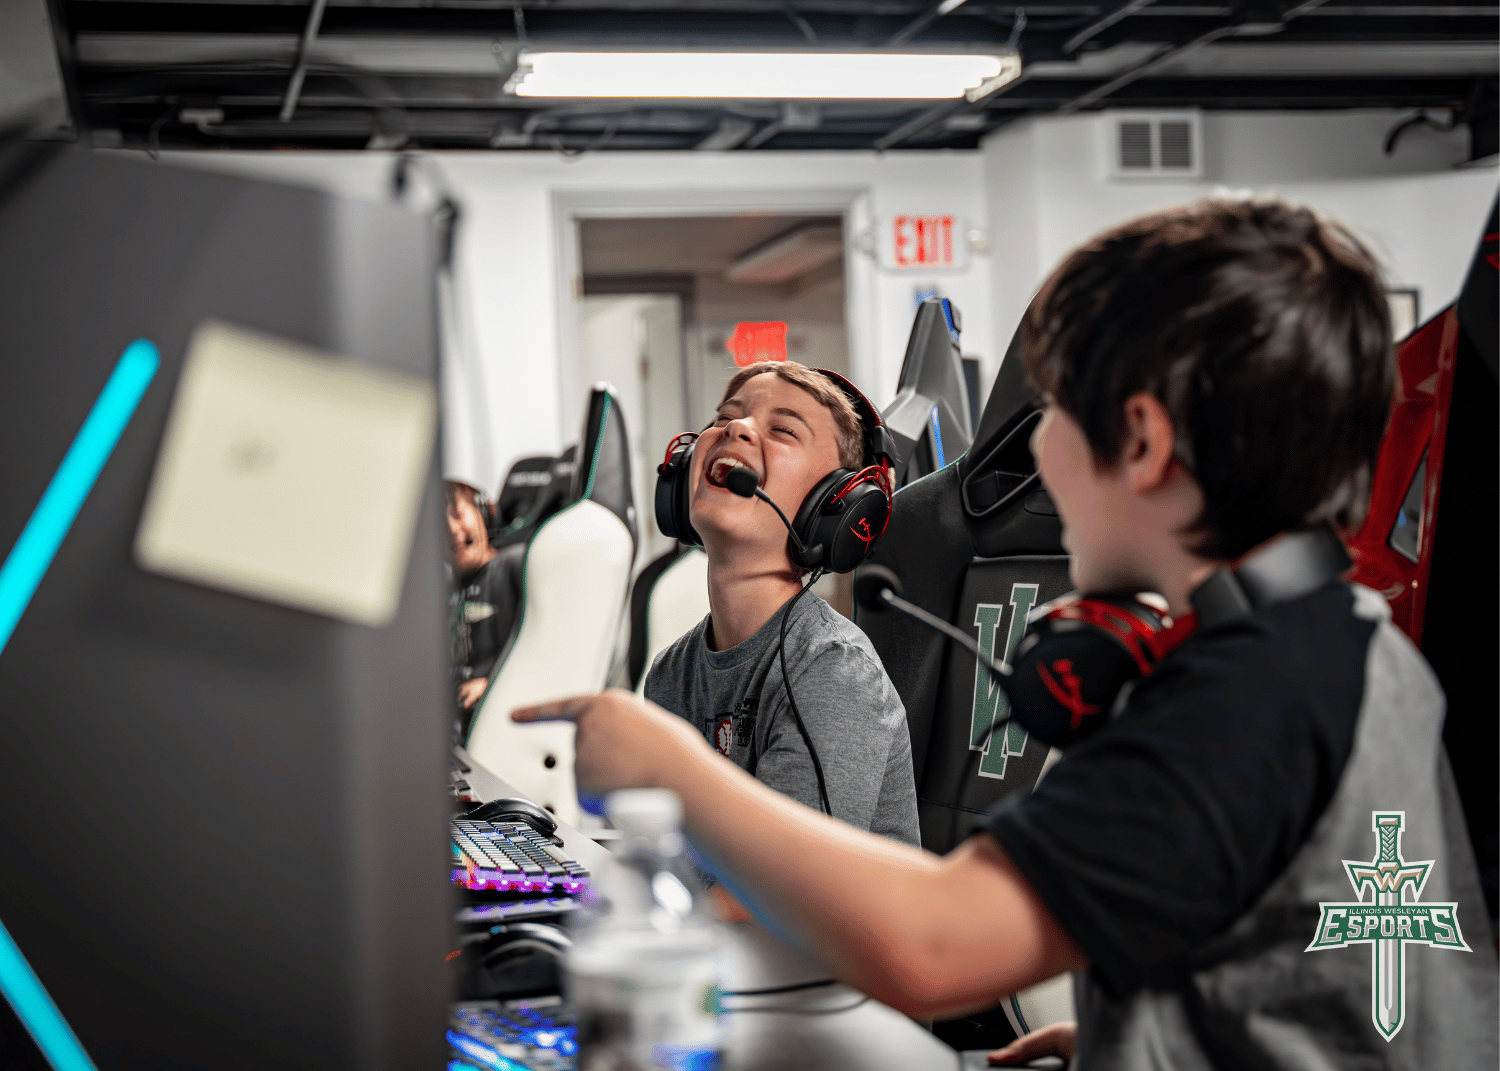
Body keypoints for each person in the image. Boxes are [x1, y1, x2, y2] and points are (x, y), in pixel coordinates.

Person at [512, 200, 1498, 1068]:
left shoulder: (1231, 702)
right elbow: (1309, 949)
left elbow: (936, 950)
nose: (1039, 456)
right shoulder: (1346, 643)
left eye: (1053, 418)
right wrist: (1148, 1033)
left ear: (1143, 444)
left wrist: (670, 772)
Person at [644, 360, 919, 847]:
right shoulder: (671, 674)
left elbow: (785, 902)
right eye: (726, 416)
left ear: (833, 506)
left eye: (783, 430)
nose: (737, 428)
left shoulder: (831, 671)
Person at [446, 479, 523, 727]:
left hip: (502, 716)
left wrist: (493, 684)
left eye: (457, 515)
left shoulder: (515, 565)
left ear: (483, 514)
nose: (450, 529)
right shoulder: (441, 591)